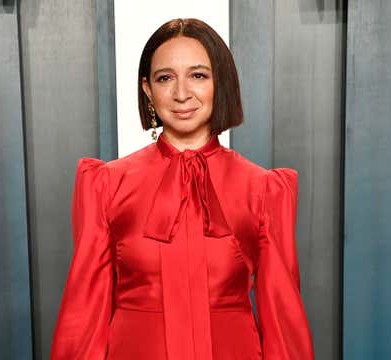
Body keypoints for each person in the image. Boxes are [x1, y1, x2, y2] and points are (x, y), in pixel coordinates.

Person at [50, 18, 314, 360]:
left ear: (221, 83)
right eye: (165, 78)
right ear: (148, 90)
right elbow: (82, 315)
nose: (181, 93)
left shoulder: (262, 189)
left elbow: (283, 320)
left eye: (198, 75)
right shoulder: (107, 185)